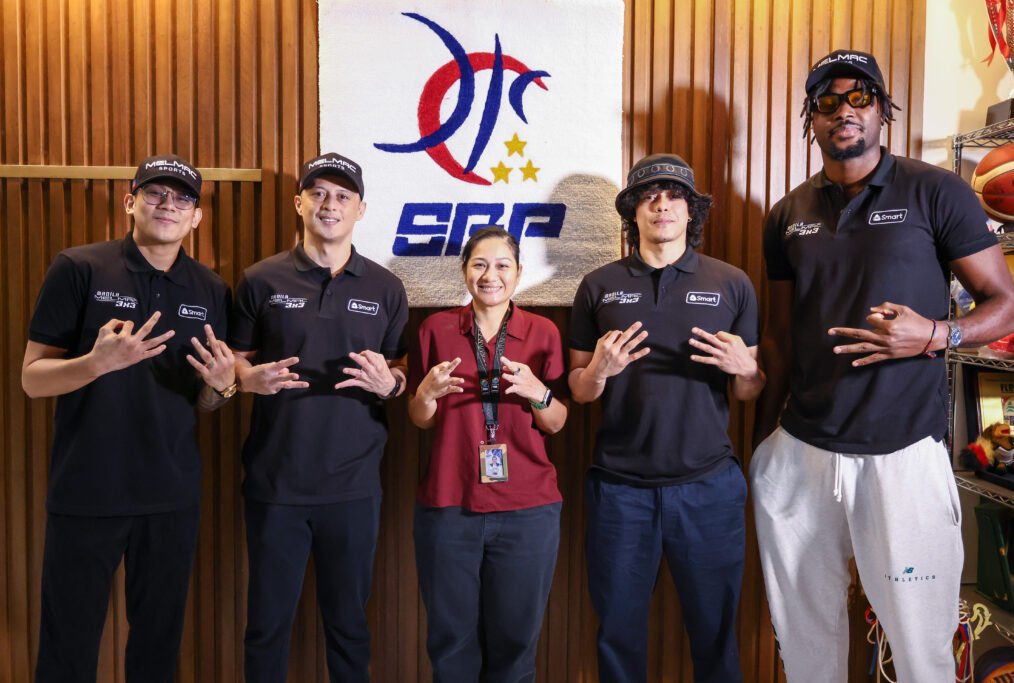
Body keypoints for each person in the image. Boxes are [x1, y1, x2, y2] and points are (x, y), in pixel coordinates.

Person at [751, 49, 1014, 682]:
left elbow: (1006, 307)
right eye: (827, 101)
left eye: (859, 98)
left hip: (901, 454)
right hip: (803, 453)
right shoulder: (787, 215)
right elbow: (782, 339)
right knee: (805, 641)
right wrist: (762, 445)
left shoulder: (937, 191)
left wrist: (934, 333)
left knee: (921, 646)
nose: (843, 111)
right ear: (810, 120)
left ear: (882, 111)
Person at [22, 155, 235, 683]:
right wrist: (97, 363)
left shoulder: (211, 290)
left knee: (157, 652)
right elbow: (32, 378)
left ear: (196, 218)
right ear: (130, 201)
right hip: (86, 492)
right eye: (155, 193)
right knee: (67, 647)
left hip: (171, 497)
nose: (168, 205)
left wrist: (221, 387)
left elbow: (206, 403)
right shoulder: (79, 267)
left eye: (182, 198)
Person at [568, 154, 763, 683]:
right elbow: (580, 391)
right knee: (617, 636)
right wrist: (601, 371)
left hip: (708, 488)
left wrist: (747, 370)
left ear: (690, 211)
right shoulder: (598, 286)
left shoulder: (731, 283)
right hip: (619, 491)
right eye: (649, 195)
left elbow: (749, 391)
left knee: (716, 635)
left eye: (674, 195)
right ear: (633, 210)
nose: (661, 204)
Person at [231, 152, 409, 683]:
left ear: (361, 209)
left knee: (350, 627)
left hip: (354, 487)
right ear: (299, 202)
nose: (330, 205)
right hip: (274, 483)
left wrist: (392, 384)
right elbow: (235, 361)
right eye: (319, 194)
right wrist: (246, 378)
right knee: (266, 626)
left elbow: (400, 368)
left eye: (343, 196)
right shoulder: (259, 280)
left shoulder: (385, 287)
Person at [407, 226, 568, 682]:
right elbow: (421, 418)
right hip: (448, 505)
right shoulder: (436, 329)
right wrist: (426, 393)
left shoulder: (543, 332)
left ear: (518, 275)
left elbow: (556, 422)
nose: (490, 275)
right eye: (479, 264)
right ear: (463, 271)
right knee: (450, 643)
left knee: (516, 645)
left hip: (527, 509)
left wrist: (539, 393)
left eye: (502, 265)